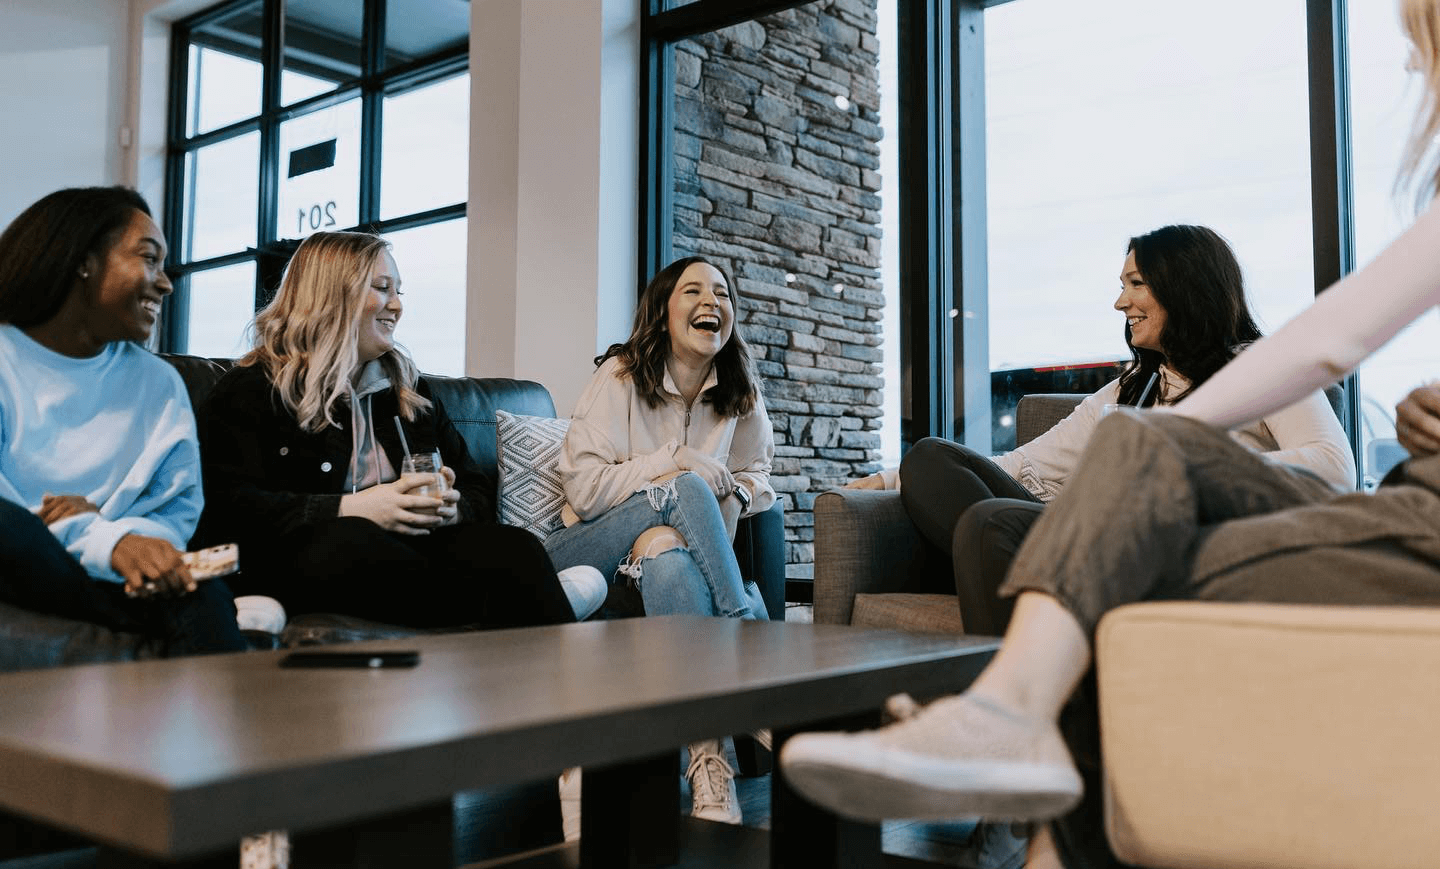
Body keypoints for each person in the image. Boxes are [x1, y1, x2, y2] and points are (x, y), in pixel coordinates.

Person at [780, 2, 1440, 867]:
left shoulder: (1248, 358)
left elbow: (1327, 375)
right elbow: (1023, 462)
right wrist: (1142, 458)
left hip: (1367, 516)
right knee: (1088, 451)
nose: (1407, 65)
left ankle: (1018, 708)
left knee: (1104, 494)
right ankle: (1025, 709)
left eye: (1417, 34)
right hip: (1312, 496)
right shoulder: (1132, 388)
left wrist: (1169, 461)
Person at [851, 225, 1354, 636]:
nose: (1120, 302)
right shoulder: (1128, 392)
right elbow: (1019, 465)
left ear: (1184, 288)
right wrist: (890, 479)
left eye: (1135, 284)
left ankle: (1019, 634)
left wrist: (1188, 464)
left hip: (1165, 547)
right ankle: (1031, 583)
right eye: (1122, 285)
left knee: (989, 525)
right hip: (1083, 537)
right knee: (932, 458)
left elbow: (1333, 466)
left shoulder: (1262, 366)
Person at [197, 230, 602, 630]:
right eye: (382, 288)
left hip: (411, 551)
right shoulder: (252, 388)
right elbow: (227, 507)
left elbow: (476, 488)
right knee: (350, 540)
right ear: (331, 295)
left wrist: (450, 508)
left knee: (515, 548)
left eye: (399, 292)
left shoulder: (408, 390)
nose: (397, 306)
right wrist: (355, 508)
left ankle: (531, 614)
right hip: (303, 556)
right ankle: (528, 602)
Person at [544, 255, 776, 825]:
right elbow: (586, 489)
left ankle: (708, 766)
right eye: (693, 291)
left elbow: (759, 476)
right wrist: (670, 464)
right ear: (663, 311)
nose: (711, 302)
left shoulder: (740, 391)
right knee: (685, 487)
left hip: (677, 565)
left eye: (722, 293)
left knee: (672, 556)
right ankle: (746, 639)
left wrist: (738, 496)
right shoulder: (620, 377)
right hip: (588, 558)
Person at [0, 186, 246, 656]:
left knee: (202, 592)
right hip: (21, 559)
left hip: (111, 578)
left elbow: (174, 511)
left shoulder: (160, 384)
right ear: (83, 260)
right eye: (149, 259)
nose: (167, 282)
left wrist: (125, 543)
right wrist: (105, 538)